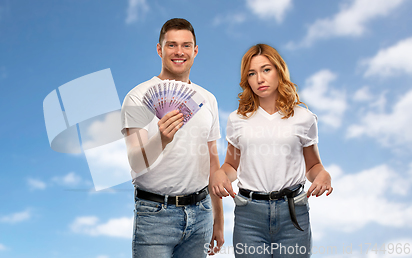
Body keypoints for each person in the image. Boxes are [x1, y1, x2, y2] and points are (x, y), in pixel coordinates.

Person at [210, 43, 333, 257]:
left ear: (279, 70)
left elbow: (313, 165)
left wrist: (323, 175)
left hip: (294, 214)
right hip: (249, 216)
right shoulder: (237, 119)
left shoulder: (304, 118)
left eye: (266, 69)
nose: (260, 79)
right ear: (246, 79)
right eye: (252, 73)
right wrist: (221, 174)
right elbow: (231, 165)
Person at [120, 18, 224, 257]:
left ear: (195, 51)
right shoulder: (137, 97)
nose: (179, 52)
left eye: (186, 45)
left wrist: (219, 219)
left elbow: (212, 162)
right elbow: (136, 162)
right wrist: (161, 139)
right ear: (159, 49)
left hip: (201, 214)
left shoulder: (207, 99)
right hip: (155, 215)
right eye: (171, 45)